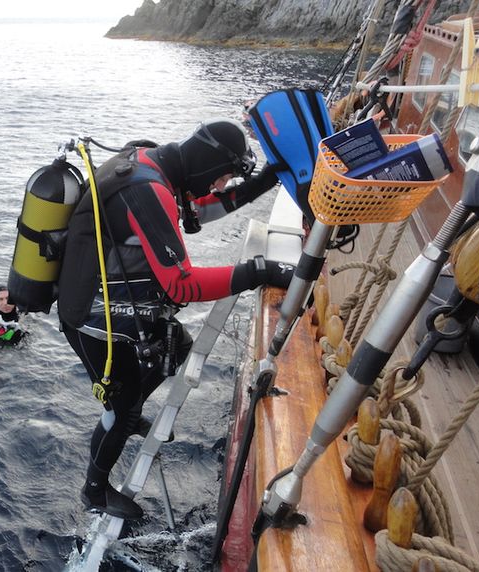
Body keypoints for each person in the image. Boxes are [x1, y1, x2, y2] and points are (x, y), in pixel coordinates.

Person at [56, 118, 294, 520]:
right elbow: (181, 285)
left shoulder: (154, 163)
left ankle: (128, 414)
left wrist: (271, 177)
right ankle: (94, 490)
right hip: (91, 317)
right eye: (220, 177)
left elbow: (202, 208)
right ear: (205, 166)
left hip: (110, 303)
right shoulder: (147, 190)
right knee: (120, 403)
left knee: (177, 346)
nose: (219, 186)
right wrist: (258, 271)